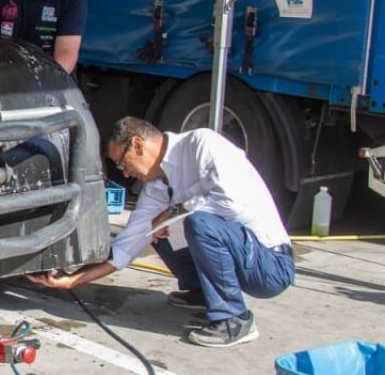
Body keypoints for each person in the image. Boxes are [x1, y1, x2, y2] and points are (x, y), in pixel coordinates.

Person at [26, 116, 295, 348]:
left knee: (196, 223)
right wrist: (73, 279)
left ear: (138, 145)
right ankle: (202, 291)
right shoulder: (156, 188)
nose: (126, 174)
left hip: (269, 263)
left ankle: (234, 319)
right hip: (238, 254)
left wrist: (175, 211)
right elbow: (126, 247)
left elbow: (230, 202)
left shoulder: (201, 143)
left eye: (122, 164)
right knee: (154, 228)